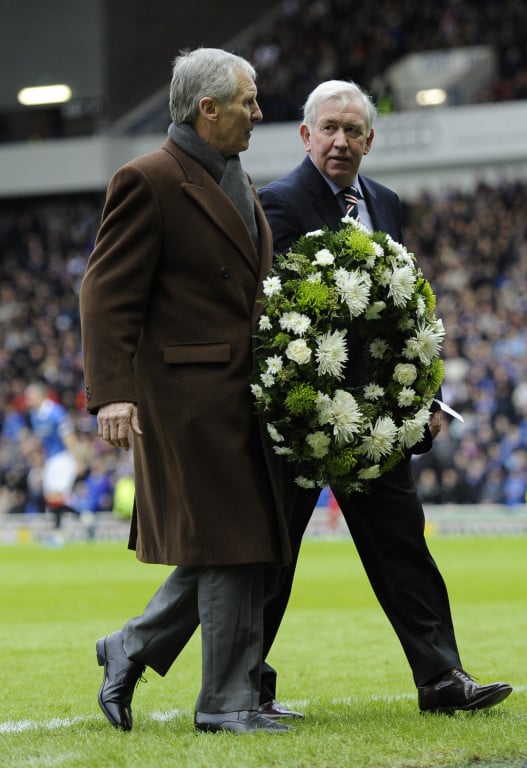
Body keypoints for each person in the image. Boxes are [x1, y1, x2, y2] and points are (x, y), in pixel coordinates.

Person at [256, 79, 512, 716]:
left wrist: (424, 398)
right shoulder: (277, 205)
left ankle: (443, 679)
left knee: (403, 545)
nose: (341, 141)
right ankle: (243, 688)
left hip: (373, 421)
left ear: (370, 139)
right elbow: (271, 317)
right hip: (302, 419)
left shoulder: (387, 202)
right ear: (305, 135)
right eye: (330, 129)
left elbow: (406, 315)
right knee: (272, 559)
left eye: (353, 131)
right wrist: (298, 403)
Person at [79, 47, 293, 735]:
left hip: (239, 396)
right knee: (234, 543)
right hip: (185, 398)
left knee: (245, 540)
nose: (258, 115)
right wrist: (113, 393)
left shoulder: (232, 174)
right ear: (207, 109)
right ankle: (224, 704)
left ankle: (131, 646)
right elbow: (104, 294)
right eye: (247, 102)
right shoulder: (148, 179)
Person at [24, 381, 86, 530]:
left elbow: (69, 437)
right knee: (52, 499)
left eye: (30, 396)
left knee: (56, 497)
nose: (28, 400)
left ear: (41, 396)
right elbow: (42, 441)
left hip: (62, 458)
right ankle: (84, 518)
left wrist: (78, 461)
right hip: (51, 460)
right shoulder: (34, 415)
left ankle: (59, 533)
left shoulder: (56, 413)